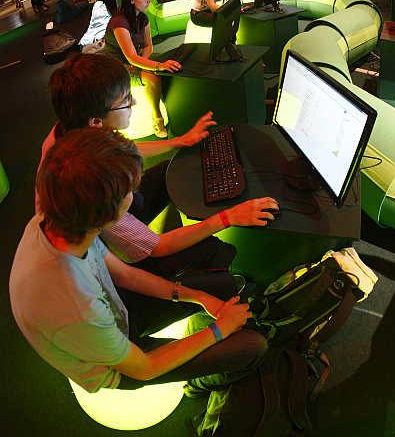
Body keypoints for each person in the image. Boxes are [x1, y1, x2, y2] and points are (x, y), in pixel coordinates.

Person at [11, 127, 273, 395]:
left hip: (116, 308)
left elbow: (123, 274)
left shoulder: (54, 223)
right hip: (121, 365)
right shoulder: (78, 306)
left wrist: (195, 296)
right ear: (107, 217)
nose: (134, 196)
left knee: (222, 285)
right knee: (253, 346)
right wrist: (220, 330)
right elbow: (145, 367)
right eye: (129, 193)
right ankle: (197, 387)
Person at [37, 53, 280, 282]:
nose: (133, 102)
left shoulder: (71, 133)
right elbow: (157, 247)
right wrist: (227, 218)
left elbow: (121, 147)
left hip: (110, 215)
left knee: (168, 170)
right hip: (110, 257)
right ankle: (229, 287)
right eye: (125, 101)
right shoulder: (92, 185)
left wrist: (179, 141)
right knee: (216, 251)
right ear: (96, 122)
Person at [102, 0, 181, 138]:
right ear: (132, 0)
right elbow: (130, 56)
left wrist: (143, 64)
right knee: (153, 77)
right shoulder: (119, 23)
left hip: (133, 61)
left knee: (171, 65)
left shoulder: (143, 18)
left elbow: (148, 46)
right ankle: (157, 117)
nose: (149, 1)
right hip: (115, 67)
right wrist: (155, 66)